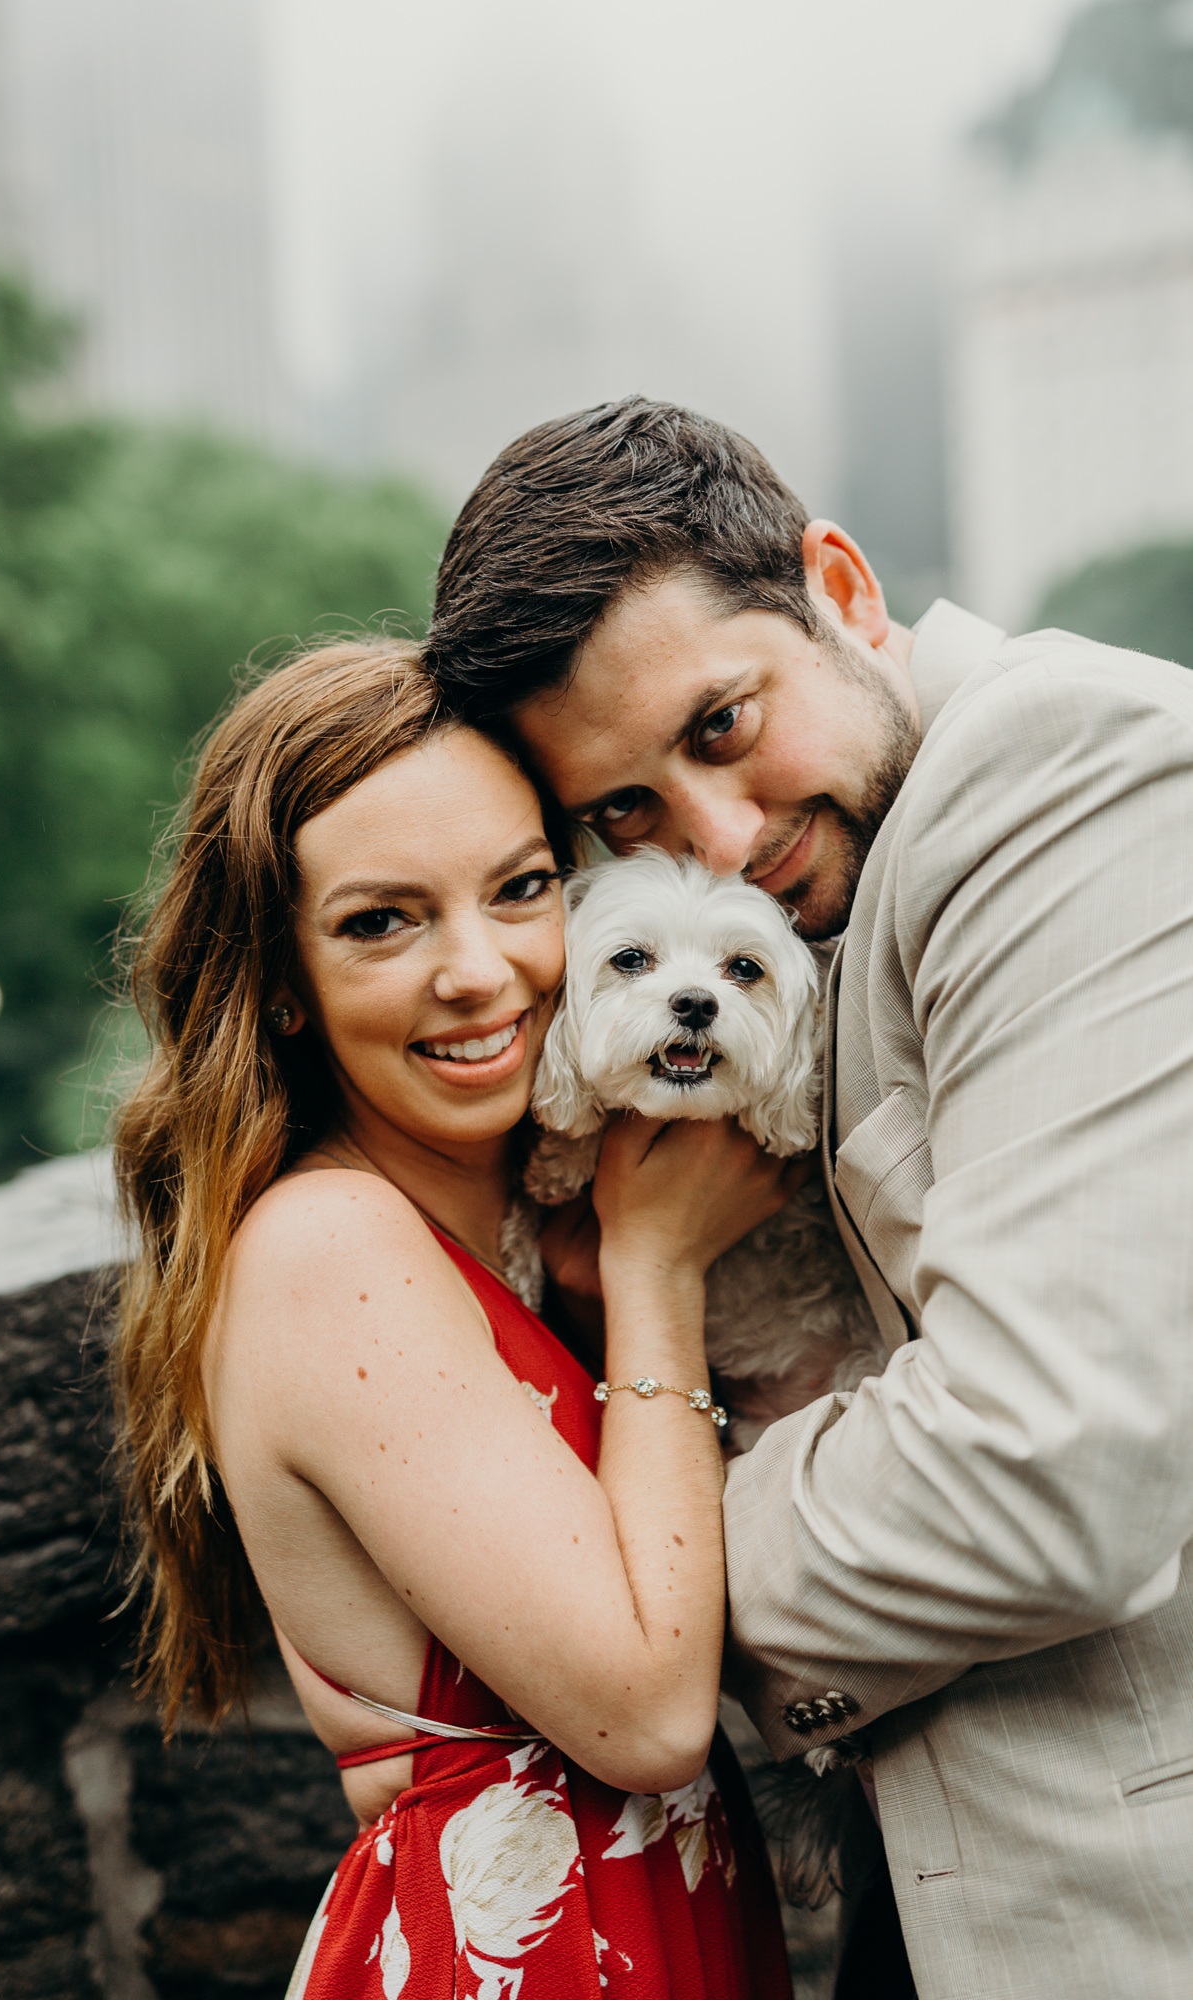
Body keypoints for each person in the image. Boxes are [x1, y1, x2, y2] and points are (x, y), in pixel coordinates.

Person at [424, 397, 1193, 2000]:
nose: (718, 840)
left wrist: (630, 1595)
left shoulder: (1067, 768)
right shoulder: (855, 846)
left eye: (718, 726)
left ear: (838, 587)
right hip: (938, 1867)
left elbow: (1041, 1469)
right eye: (622, 811)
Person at [110, 639, 797, 2000]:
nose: (480, 971)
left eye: (522, 890)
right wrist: (658, 1274)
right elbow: (650, 1716)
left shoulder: (493, 1226)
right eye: (382, 921)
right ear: (284, 984)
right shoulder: (330, 1250)